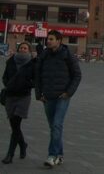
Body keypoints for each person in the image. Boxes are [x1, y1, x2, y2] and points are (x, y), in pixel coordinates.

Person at [35, 30, 81, 168]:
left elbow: (77, 75)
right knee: (54, 127)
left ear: (59, 41)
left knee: (56, 125)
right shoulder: (43, 56)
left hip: (62, 96)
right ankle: (60, 155)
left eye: (51, 39)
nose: (48, 41)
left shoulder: (68, 56)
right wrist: (39, 94)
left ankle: (52, 156)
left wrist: (68, 93)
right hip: (48, 96)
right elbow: (37, 76)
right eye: (48, 39)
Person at [1, 42, 35, 164]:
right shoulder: (11, 61)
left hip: (23, 96)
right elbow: (5, 76)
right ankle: (23, 144)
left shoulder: (32, 64)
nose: (23, 49)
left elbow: (35, 80)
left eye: (25, 48)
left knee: (16, 123)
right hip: (10, 96)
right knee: (14, 125)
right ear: (18, 49)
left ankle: (10, 154)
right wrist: (8, 84)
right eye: (21, 48)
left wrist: (24, 84)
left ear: (29, 50)